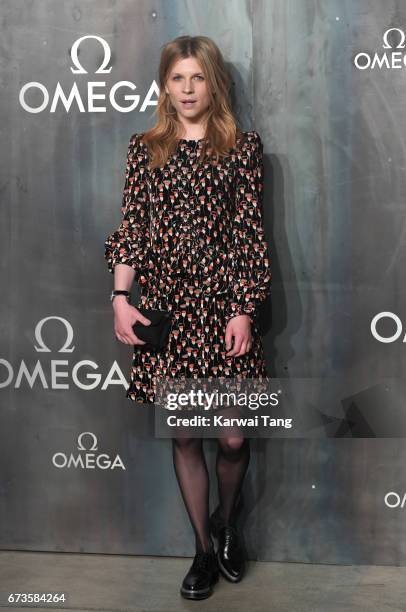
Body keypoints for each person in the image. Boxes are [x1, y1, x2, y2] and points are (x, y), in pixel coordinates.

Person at [104, 35, 272, 600]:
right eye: (177, 78)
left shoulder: (241, 148)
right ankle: (202, 548)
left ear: (213, 82)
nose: (187, 89)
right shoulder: (144, 148)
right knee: (184, 436)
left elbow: (250, 237)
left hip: (224, 307)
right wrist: (120, 297)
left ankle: (228, 525)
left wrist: (245, 308)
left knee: (230, 438)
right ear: (165, 85)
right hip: (169, 310)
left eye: (197, 77)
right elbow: (131, 230)